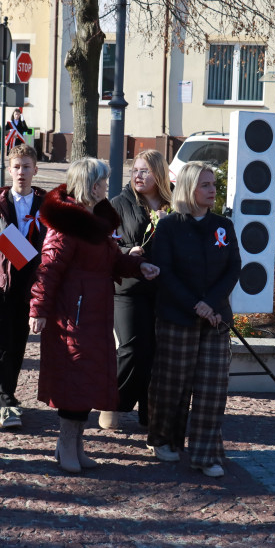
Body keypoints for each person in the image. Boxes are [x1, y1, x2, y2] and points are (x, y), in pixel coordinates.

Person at [29, 158, 159, 473]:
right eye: (102, 182)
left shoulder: (96, 220)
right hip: (72, 316)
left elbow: (113, 260)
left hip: (94, 314)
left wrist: (139, 267)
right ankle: (65, 445)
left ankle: (75, 445)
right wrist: (38, 310)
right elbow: (48, 269)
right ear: (91, 185)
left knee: (86, 383)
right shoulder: (67, 225)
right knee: (73, 383)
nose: (106, 187)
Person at [146, 162, 241, 478]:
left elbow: (233, 268)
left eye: (213, 184)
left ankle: (206, 454)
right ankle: (164, 438)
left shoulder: (223, 226)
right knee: (172, 385)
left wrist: (211, 305)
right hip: (177, 316)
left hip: (215, 319)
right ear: (189, 187)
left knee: (212, 387)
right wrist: (195, 305)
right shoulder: (170, 226)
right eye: (205, 185)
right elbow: (165, 272)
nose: (212, 190)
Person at [104, 150, 174, 430]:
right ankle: (110, 401)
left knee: (156, 353)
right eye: (135, 170)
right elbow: (106, 242)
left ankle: (150, 413)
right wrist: (125, 250)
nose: (138, 175)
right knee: (132, 347)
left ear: (159, 174)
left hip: (162, 289)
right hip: (128, 288)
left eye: (145, 171)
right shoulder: (118, 204)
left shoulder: (172, 205)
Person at [0, 144, 47, 429]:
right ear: (9, 170)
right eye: (17, 167)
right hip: (2, 282)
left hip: (30, 282)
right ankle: (5, 398)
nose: (22, 172)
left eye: (27, 167)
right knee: (1, 342)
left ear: (36, 170)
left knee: (19, 342)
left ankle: (8, 393)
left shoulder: (46, 206)